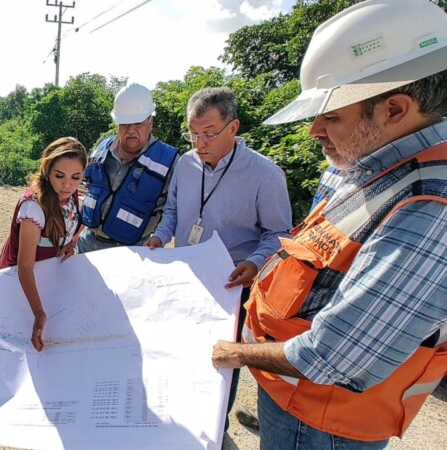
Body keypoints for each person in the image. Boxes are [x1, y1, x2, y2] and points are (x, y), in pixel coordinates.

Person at [212, 0, 447, 448]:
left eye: (332, 115)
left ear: (394, 109)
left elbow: (338, 355)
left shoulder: (431, 205)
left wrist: (236, 352)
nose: (314, 131)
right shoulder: (368, 165)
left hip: (323, 422)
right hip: (293, 396)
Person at [145, 87, 292, 431]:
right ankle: (177, 422)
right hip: (186, 279)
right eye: (193, 134)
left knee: (220, 360)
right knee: (178, 350)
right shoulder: (185, 164)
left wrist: (255, 263)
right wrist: (161, 235)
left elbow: (278, 235)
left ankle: (213, 428)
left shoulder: (264, 175)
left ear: (234, 127)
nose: (200, 143)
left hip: (232, 287)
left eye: (209, 134)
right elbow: (173, 210)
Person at [0, 137, 88, 351]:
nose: (68, 185)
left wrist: (71, 242)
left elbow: (76, 223)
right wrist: (38, 312)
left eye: (76, 177)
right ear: (47, 171)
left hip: (49, 278)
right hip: (23, 281)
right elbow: (25, 266)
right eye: (59, 176)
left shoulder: (71, 194)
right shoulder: (33, 207)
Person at [77, 82, 179, 252]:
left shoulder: (169, 160)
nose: (131, 130)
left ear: (150, 122)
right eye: (125, 124)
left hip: (132, 251)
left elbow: (174, 209)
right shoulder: (102, 148)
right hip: (87, 242)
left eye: (138, 124)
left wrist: (160, 236)